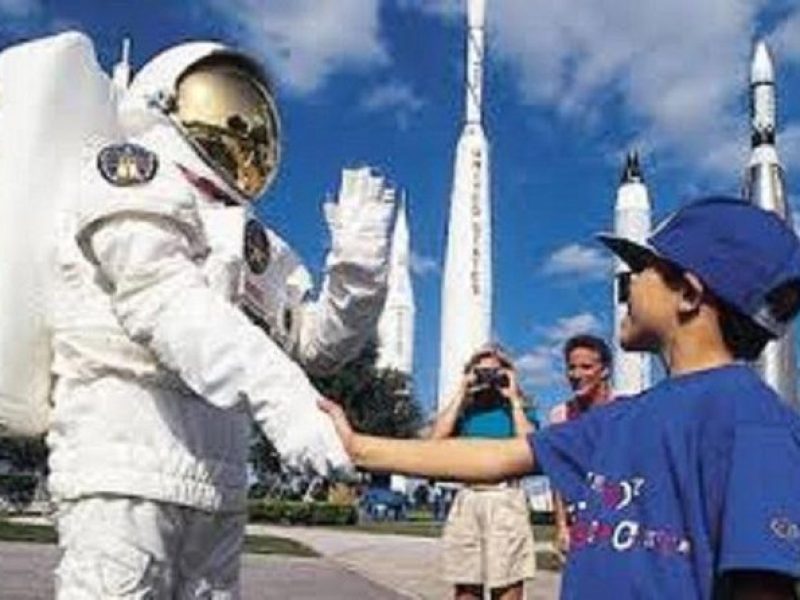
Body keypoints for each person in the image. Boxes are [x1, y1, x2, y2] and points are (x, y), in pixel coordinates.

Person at [48, 39, 394, 597]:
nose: (244, 133)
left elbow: (315, 346)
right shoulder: (133, 173)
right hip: (125, 461)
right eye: (224, 106)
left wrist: (359, 273)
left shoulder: (251, 239)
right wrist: (286, 402)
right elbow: (162, 300)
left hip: (219, 482)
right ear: (165, 100)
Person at [321, 196, 800, 599]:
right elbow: (494, 457)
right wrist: (359, 447)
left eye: (639, 267)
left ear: (690, 295)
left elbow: (764, 585)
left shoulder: (752, 421)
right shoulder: (621, 419)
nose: (626, 281)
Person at [430, 345, 537, 600]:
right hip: (469, 497)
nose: (488, 379)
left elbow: (530, 446)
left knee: (508, 581)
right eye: (482, 373)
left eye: (494, 372)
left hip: (505, 498)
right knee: (466, 585)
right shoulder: (465, 412)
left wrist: (513, 398)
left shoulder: (517, 410)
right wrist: (462, 391)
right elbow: (435, 441)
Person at [548, 334, 613, 560]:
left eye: (586, 367)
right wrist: (561, 526)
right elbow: (557, 476)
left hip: (617, 515)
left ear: (604, 370)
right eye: (571, 368)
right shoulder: (561, 415)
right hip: (579, 518)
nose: (576, 375)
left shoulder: (624, 410)